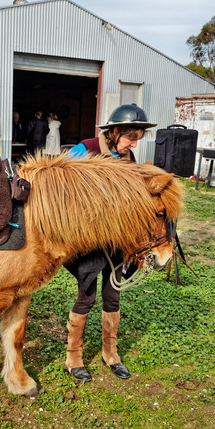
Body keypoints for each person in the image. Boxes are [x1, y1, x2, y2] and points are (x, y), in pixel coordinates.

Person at [63, 103, 157, 382]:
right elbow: (64, 192)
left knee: (113, 296)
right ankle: (73, 357)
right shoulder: (84, 148)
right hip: (89, 240)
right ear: (115, 132)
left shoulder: (129, 158)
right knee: (87, 295)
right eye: (130, 138)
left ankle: (111, 354)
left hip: (117, 241)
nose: (133, 144)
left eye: (137, 139)